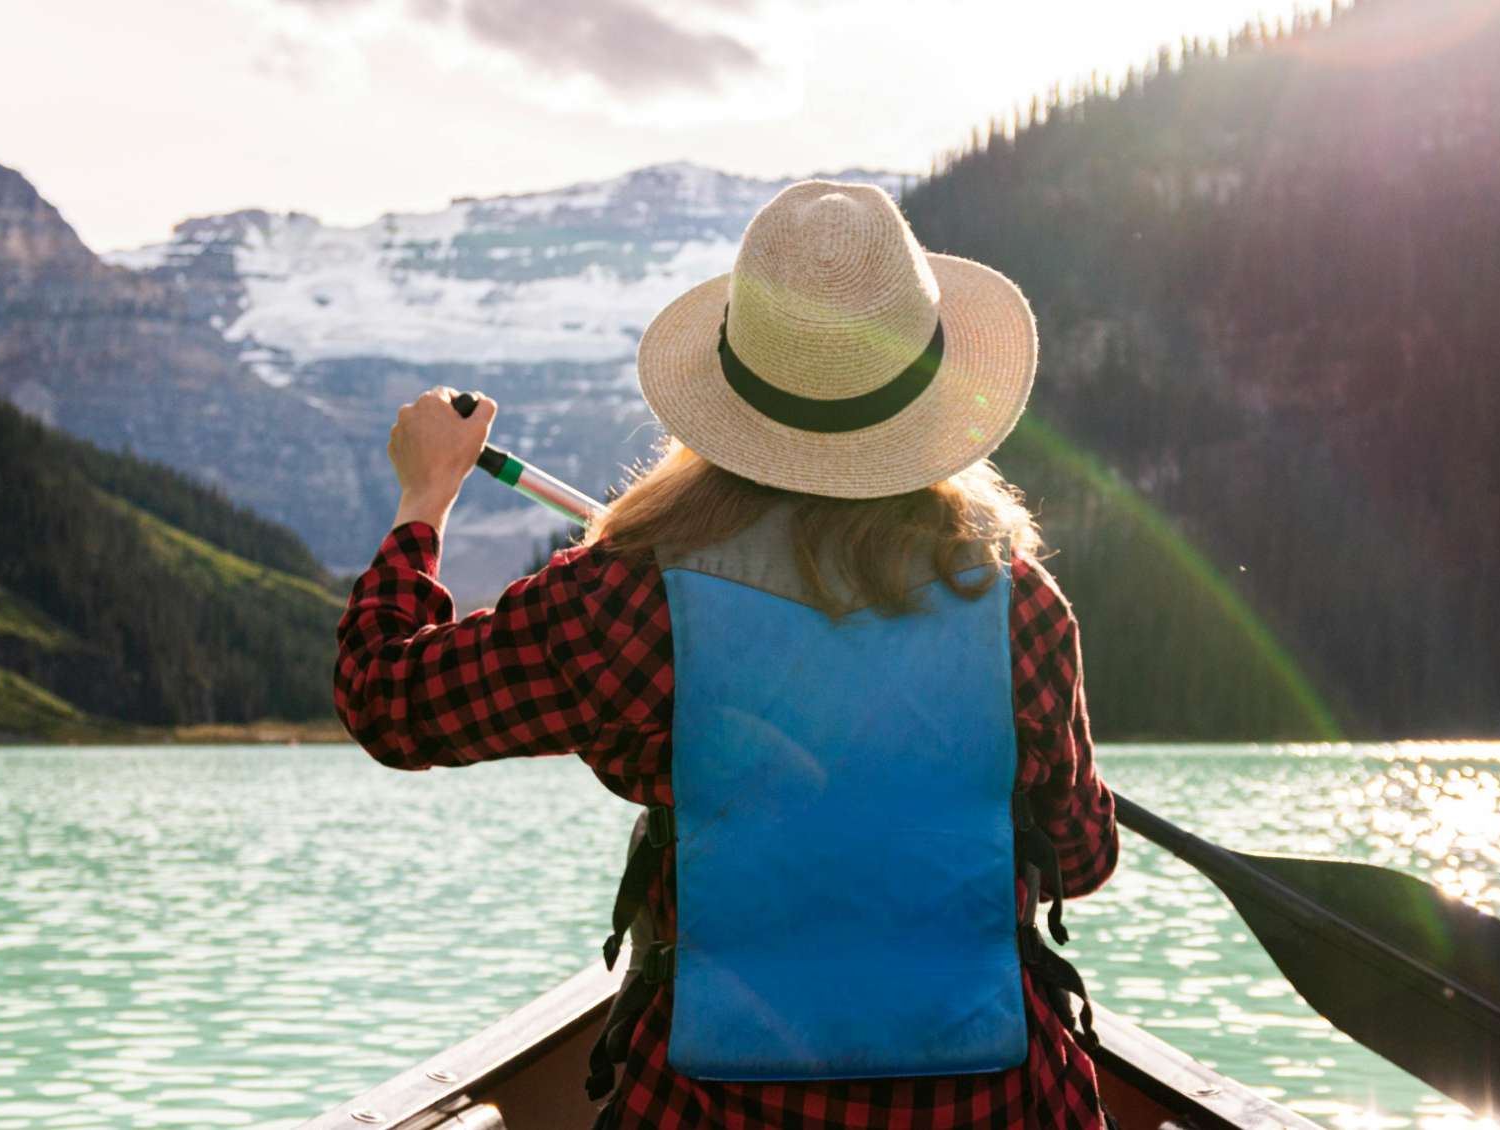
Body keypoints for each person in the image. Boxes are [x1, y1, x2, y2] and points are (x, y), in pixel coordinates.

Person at [334, 181, 1116, 1130]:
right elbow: (1079, 857)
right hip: (999, 1106)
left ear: (734, 394)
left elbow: (389, 701)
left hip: (713, 1108)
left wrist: (425, 498)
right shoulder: (1018, 604)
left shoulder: (623, 600)